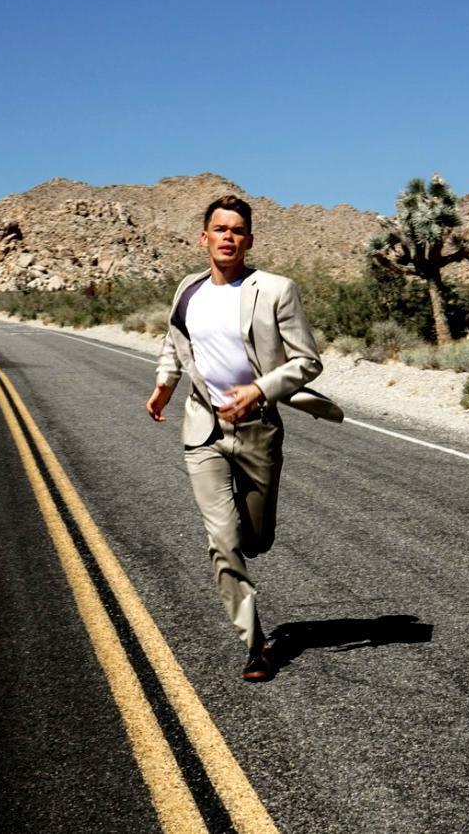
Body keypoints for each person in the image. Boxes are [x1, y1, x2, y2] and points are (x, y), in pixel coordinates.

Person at [146, 194, 340, 682]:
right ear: (204, 238)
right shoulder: (188, 290)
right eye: (220, 229)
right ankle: (256, 646)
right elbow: (174, 340)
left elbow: (307, 361)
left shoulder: (274, 290)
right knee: (223, 540)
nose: (228, 237)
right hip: (204, 427)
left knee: (255, 538)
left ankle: (254, 537)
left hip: (258, 431)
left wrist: (258, 389)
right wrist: (165, 384)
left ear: (249, 240)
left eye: (237, 230)